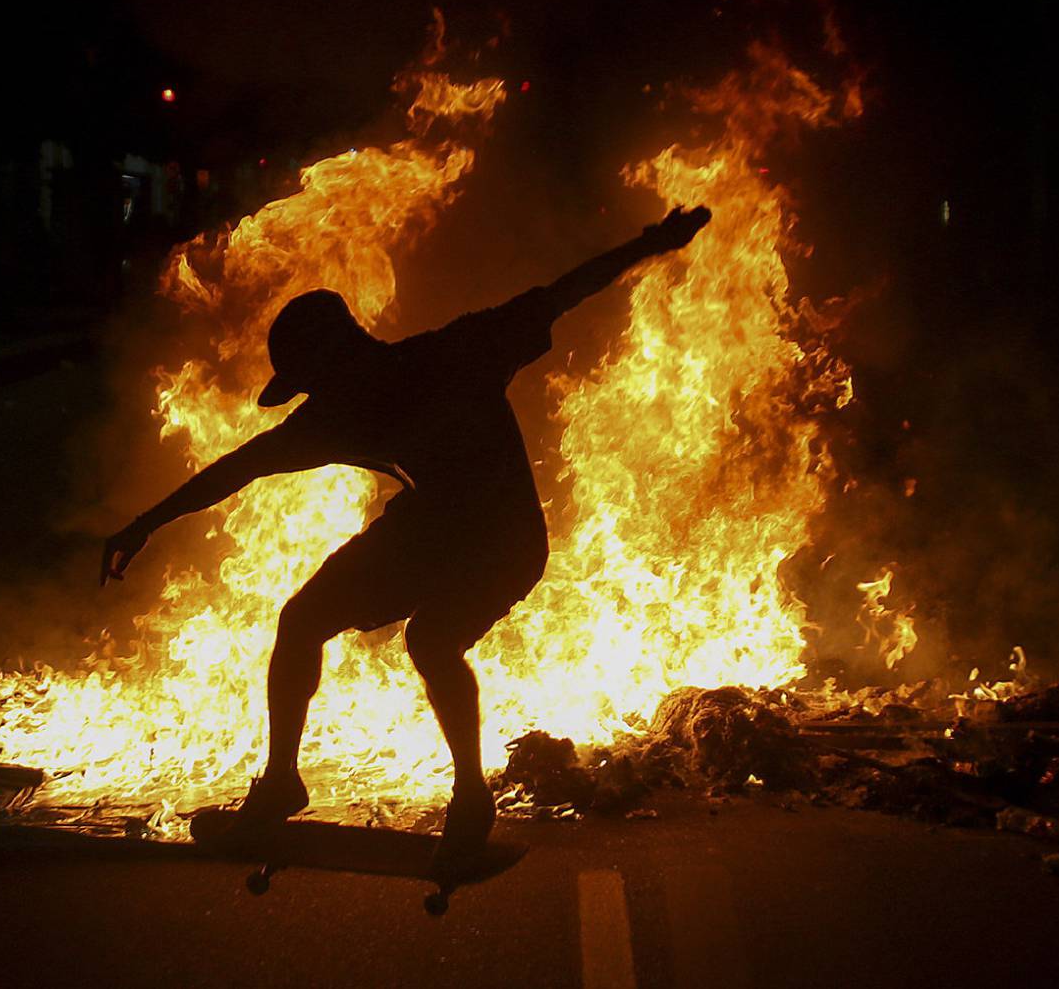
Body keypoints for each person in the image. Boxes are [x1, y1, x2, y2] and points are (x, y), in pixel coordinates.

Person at [101, 204, 712, 865]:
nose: (310, 397)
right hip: (430, 530)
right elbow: (236, 470)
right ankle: (280, 783)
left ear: (336, 359)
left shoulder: (456, 354)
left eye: (309, 382)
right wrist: (144, 524)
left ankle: (472, 795)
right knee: (303, 620)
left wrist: (651, 243)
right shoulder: (343, 409)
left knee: (430, 638)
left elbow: (565, 290)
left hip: (503, 539)